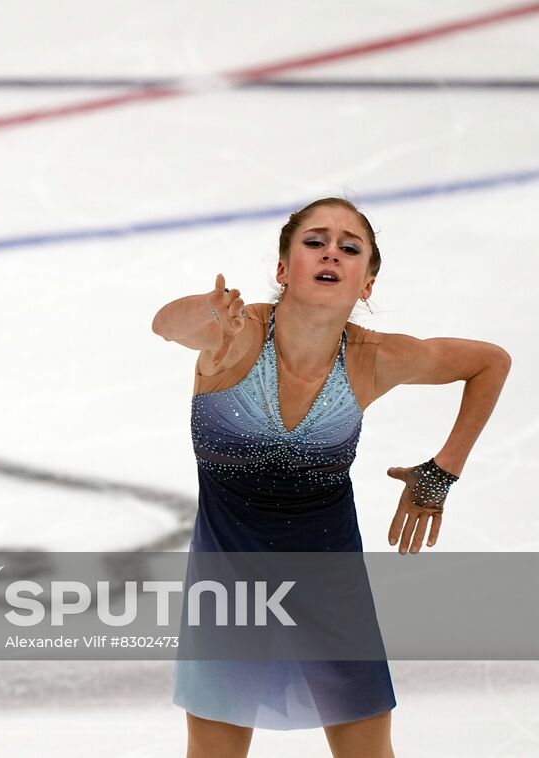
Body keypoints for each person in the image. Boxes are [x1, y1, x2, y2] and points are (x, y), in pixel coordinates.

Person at [150, 197, 511, 758]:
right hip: (228, 575)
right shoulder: (238, 339)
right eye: (315, 242)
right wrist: (205, 309)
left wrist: (441, 473)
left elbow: (491, 362)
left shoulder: (376, 359)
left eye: (350, 248)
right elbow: (166, 325)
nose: (331, 254)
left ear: (366, 283)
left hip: (329, 577)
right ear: (282, 269)